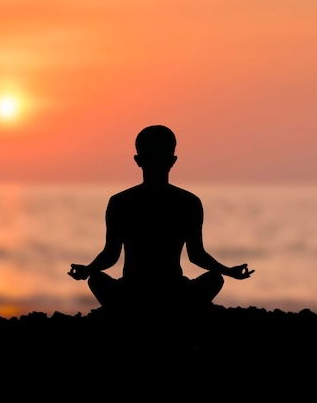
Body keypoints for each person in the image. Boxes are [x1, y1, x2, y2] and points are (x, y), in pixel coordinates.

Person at [68, 125, 254, 312]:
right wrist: (228, 271)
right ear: (172, 161)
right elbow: (197, 255)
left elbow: (110, 255)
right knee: (215, 278)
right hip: (173, 292)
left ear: (138, 160)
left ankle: (129, 312)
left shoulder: (121, 202)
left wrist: (88, 270)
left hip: (132, 292)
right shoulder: (188, 202)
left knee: (97, 279)